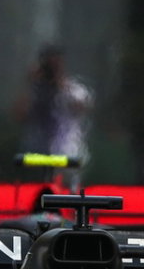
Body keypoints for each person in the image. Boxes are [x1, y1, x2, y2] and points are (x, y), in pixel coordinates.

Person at [17, 44, 94, 173]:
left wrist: (60, 85)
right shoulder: (34, 91)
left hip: (67, 154)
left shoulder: (74, 89)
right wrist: (30, 85)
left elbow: (82, 108)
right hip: (37, 155)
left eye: (56, 66)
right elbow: (18, 115)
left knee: (67, 190)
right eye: (49, 67)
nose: (51, 71)